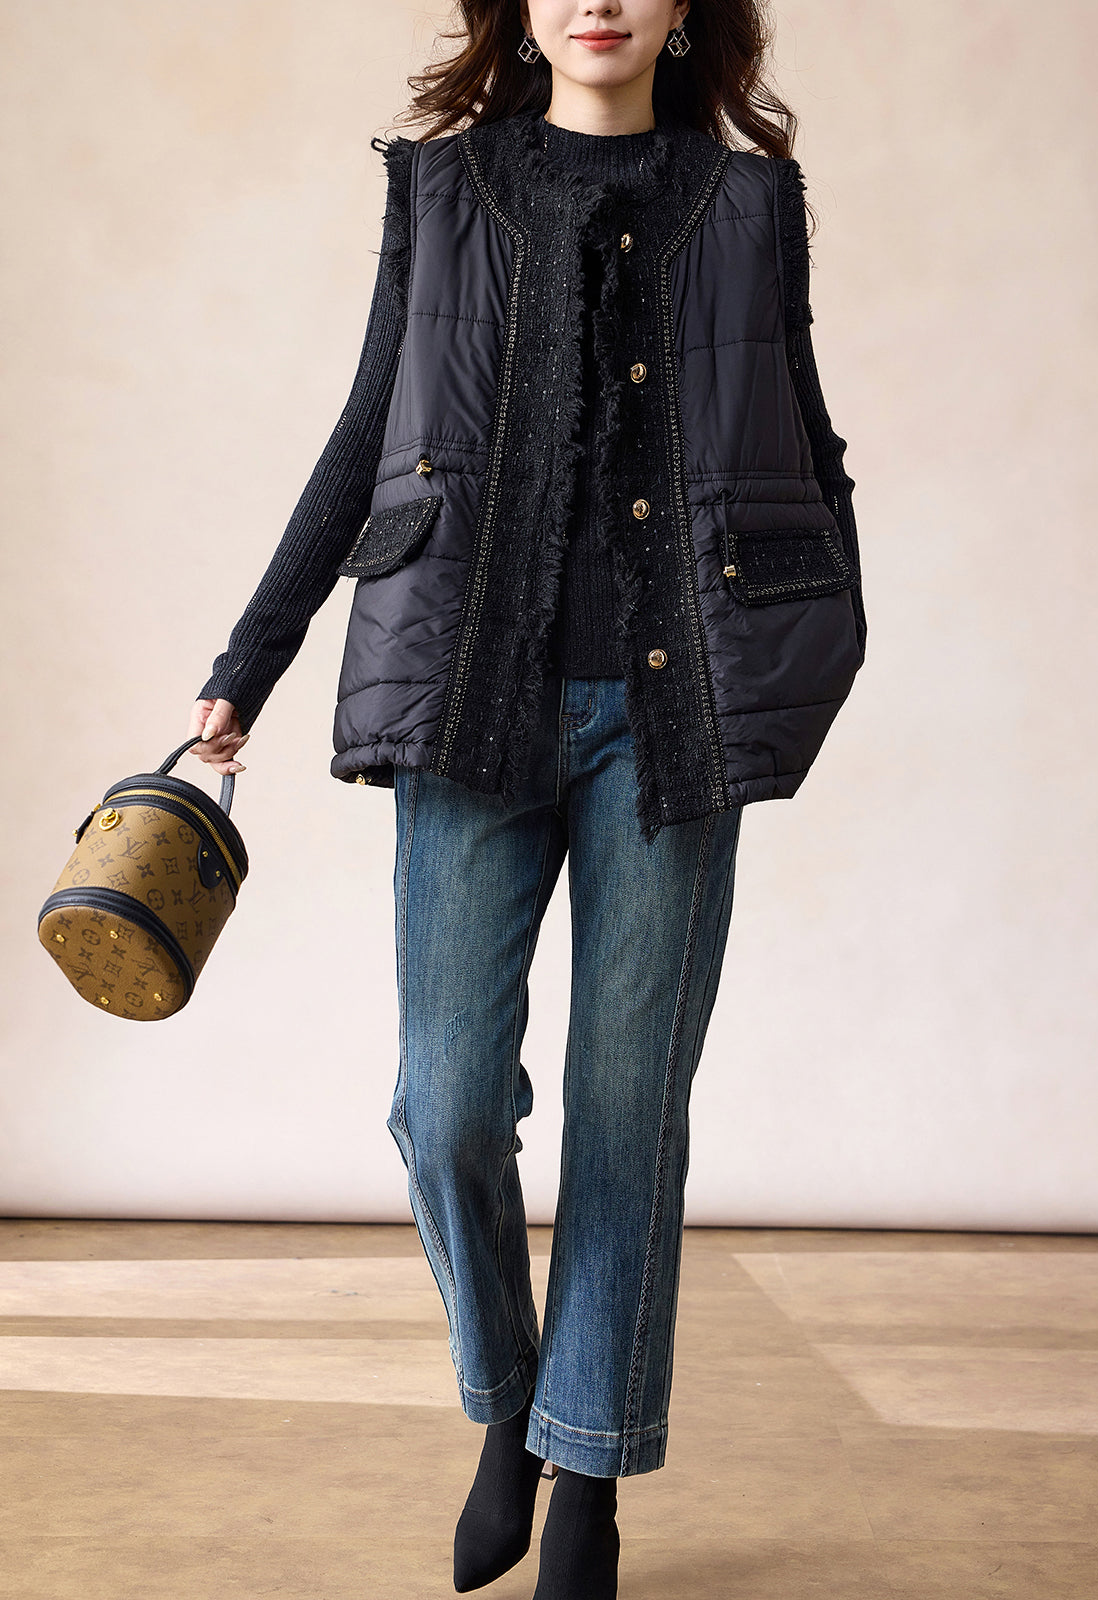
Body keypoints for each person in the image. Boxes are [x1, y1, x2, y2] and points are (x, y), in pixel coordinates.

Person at [188, 2, 866, 1594]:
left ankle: (588, 1480)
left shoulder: (748, 202)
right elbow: (369, 426)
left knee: (629, 1120)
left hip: (670, 719)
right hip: (468, 705)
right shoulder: (443, 188)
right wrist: (249, 661)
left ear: (683, 11)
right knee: (442, 1109)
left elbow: (803, 437)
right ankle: (510, 1404)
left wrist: (826, 627)